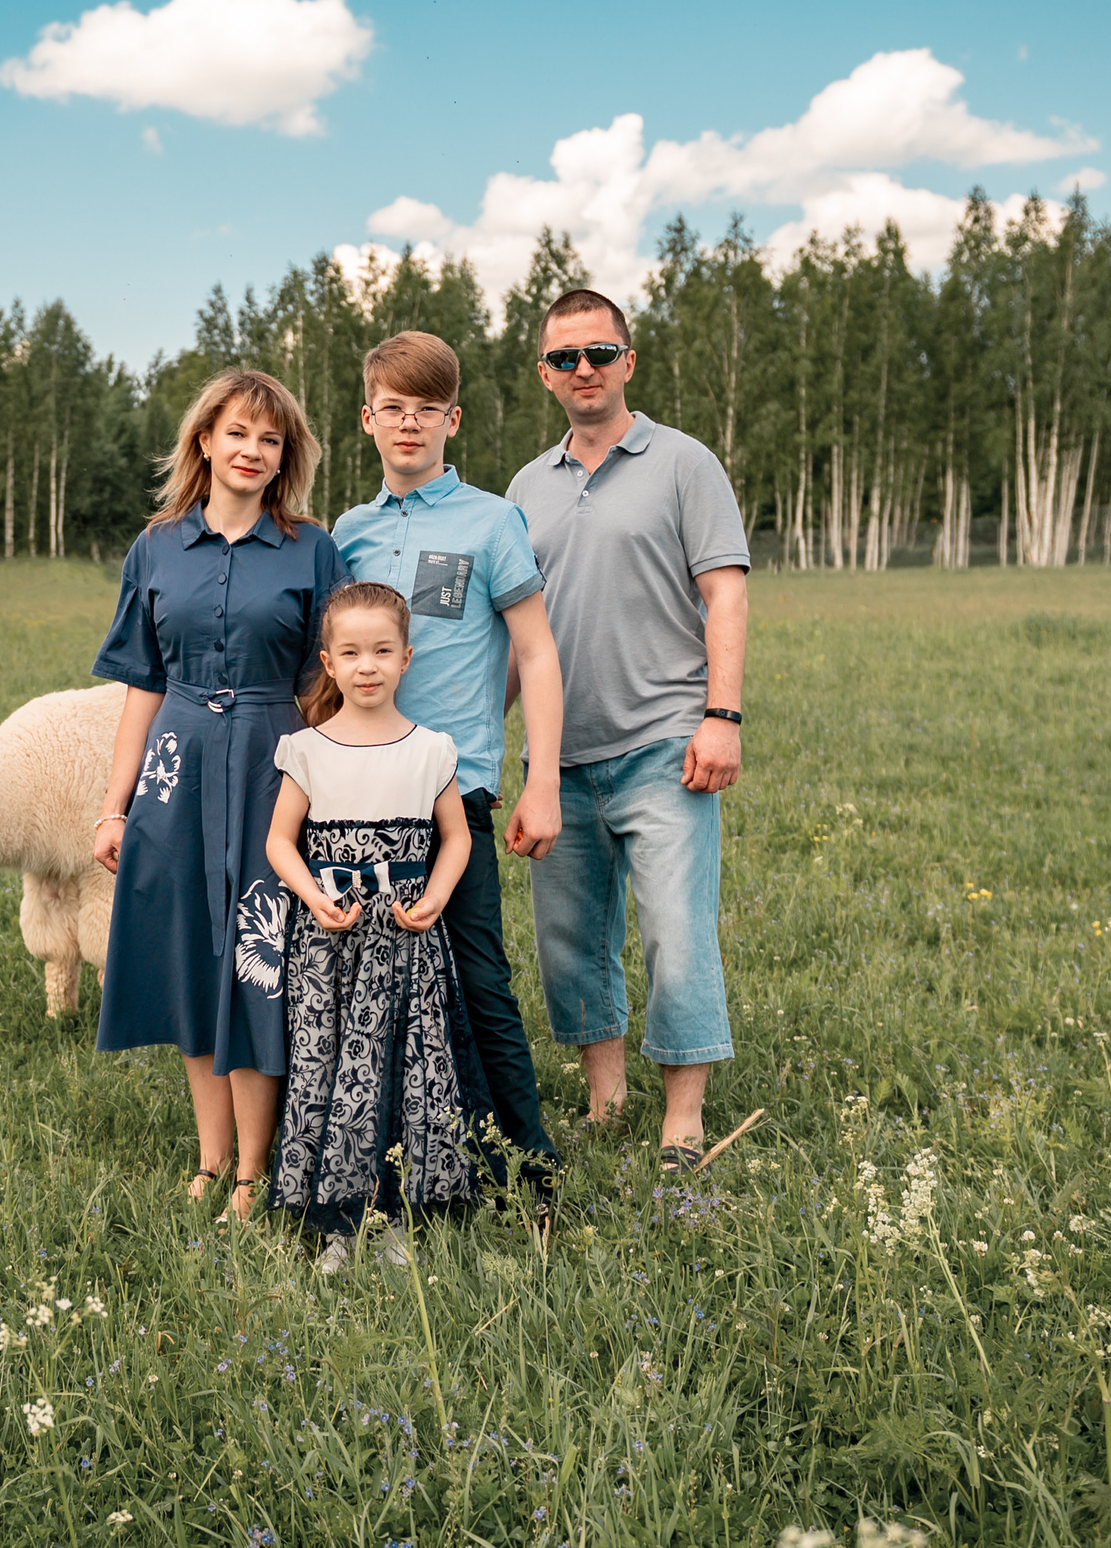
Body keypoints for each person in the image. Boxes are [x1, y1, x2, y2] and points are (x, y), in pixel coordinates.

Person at [91, 368, 350, 1222]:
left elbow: (334, 680)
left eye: (270, 440)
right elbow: (139, 684)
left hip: (277, 768)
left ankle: (255, 1170)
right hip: (179, 765)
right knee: (193, 959)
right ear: (205, 440)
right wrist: (113, 804)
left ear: (286, 458)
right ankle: (210, 1159)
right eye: (238, 433)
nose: (252, 451)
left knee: (260, 958)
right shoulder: (157, 548)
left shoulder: (312, 549)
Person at [505, 288, 750, 1169]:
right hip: (557, 758)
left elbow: (724, 590)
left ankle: (682, 1120)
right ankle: (606, 1096)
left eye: (600, 354)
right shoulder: (526, 489)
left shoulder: (685, 464)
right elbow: (514, 631)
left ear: (629, 363)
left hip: (666, 744)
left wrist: (720, 718)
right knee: (570, 941)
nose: (584, 370)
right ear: (545, 373)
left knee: (677, 933)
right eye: (566, 358)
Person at [328, 331, 565, 1211]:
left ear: (452, 419)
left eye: (427, 408)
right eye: (393, 407)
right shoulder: (347, 535)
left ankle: (529, 1166)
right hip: (359, 790)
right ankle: (392, 1158)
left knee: (476, 973)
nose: (409, 423)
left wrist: (539, 778)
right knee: (369, 980)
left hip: (451, 791)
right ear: (368, 420)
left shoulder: (493, 521)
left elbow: (536, 652)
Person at [260, 582, 484, 1274]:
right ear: (327, 663)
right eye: (351, 653)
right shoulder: (308, 750)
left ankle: (391, 1217)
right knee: (331, 1068)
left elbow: (456, 838)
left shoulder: (430, 751)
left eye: (382, 651)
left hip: (405, 938)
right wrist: (312, 898)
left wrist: (437, 896)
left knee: (404, 1066)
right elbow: (279, 843)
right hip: (330, 941)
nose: (367, 666)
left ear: (407, 658)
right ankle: (336, 1224)